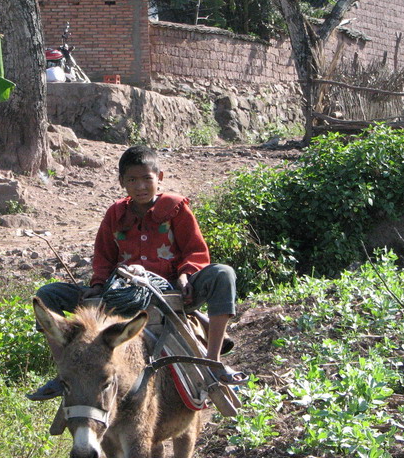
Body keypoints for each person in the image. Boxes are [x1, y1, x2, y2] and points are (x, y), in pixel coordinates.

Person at [29, 145, 246, 400]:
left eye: (147, 179)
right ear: (122, 182)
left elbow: (195, 251)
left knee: (223, 274)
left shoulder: (176, 209)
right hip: (122, 293)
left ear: (159, 178)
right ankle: (62, 372)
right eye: (132, 180)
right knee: (48, 294)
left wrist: (186, 275)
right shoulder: (116, 214)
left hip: (173, 290)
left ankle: (213, 361)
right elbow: (104, 256)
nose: (140, 186)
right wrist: (99, 285)